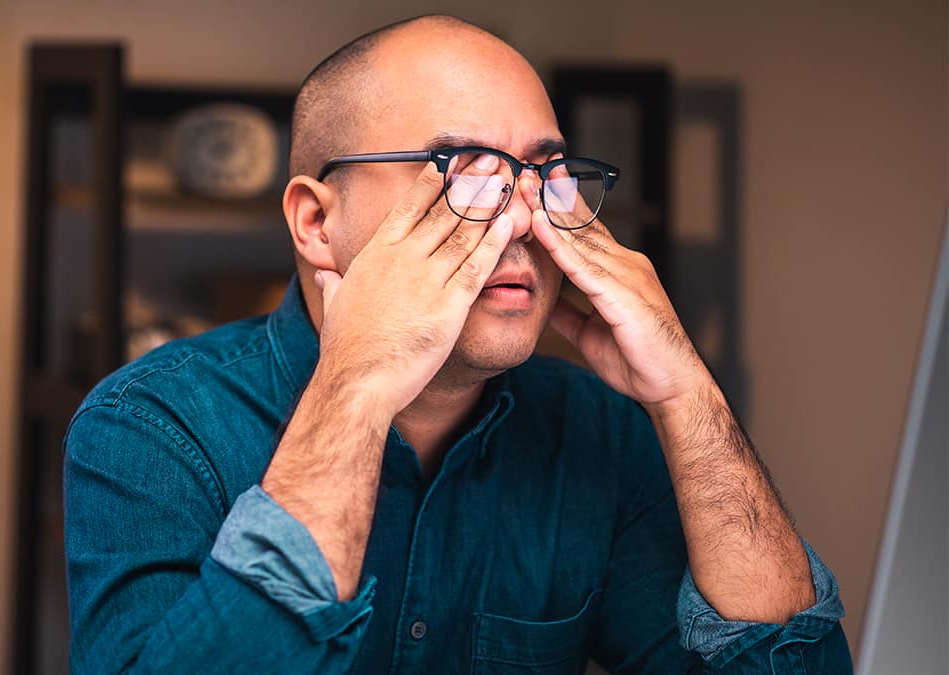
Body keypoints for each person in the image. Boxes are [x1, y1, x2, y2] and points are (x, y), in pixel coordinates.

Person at [64, 15, 852, 674]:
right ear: (315, 222)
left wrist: (687, 389)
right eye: (466, 174)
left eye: (546, 175)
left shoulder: (598, 433)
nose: (520, 220)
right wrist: (358, 385)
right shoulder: (150, 427)